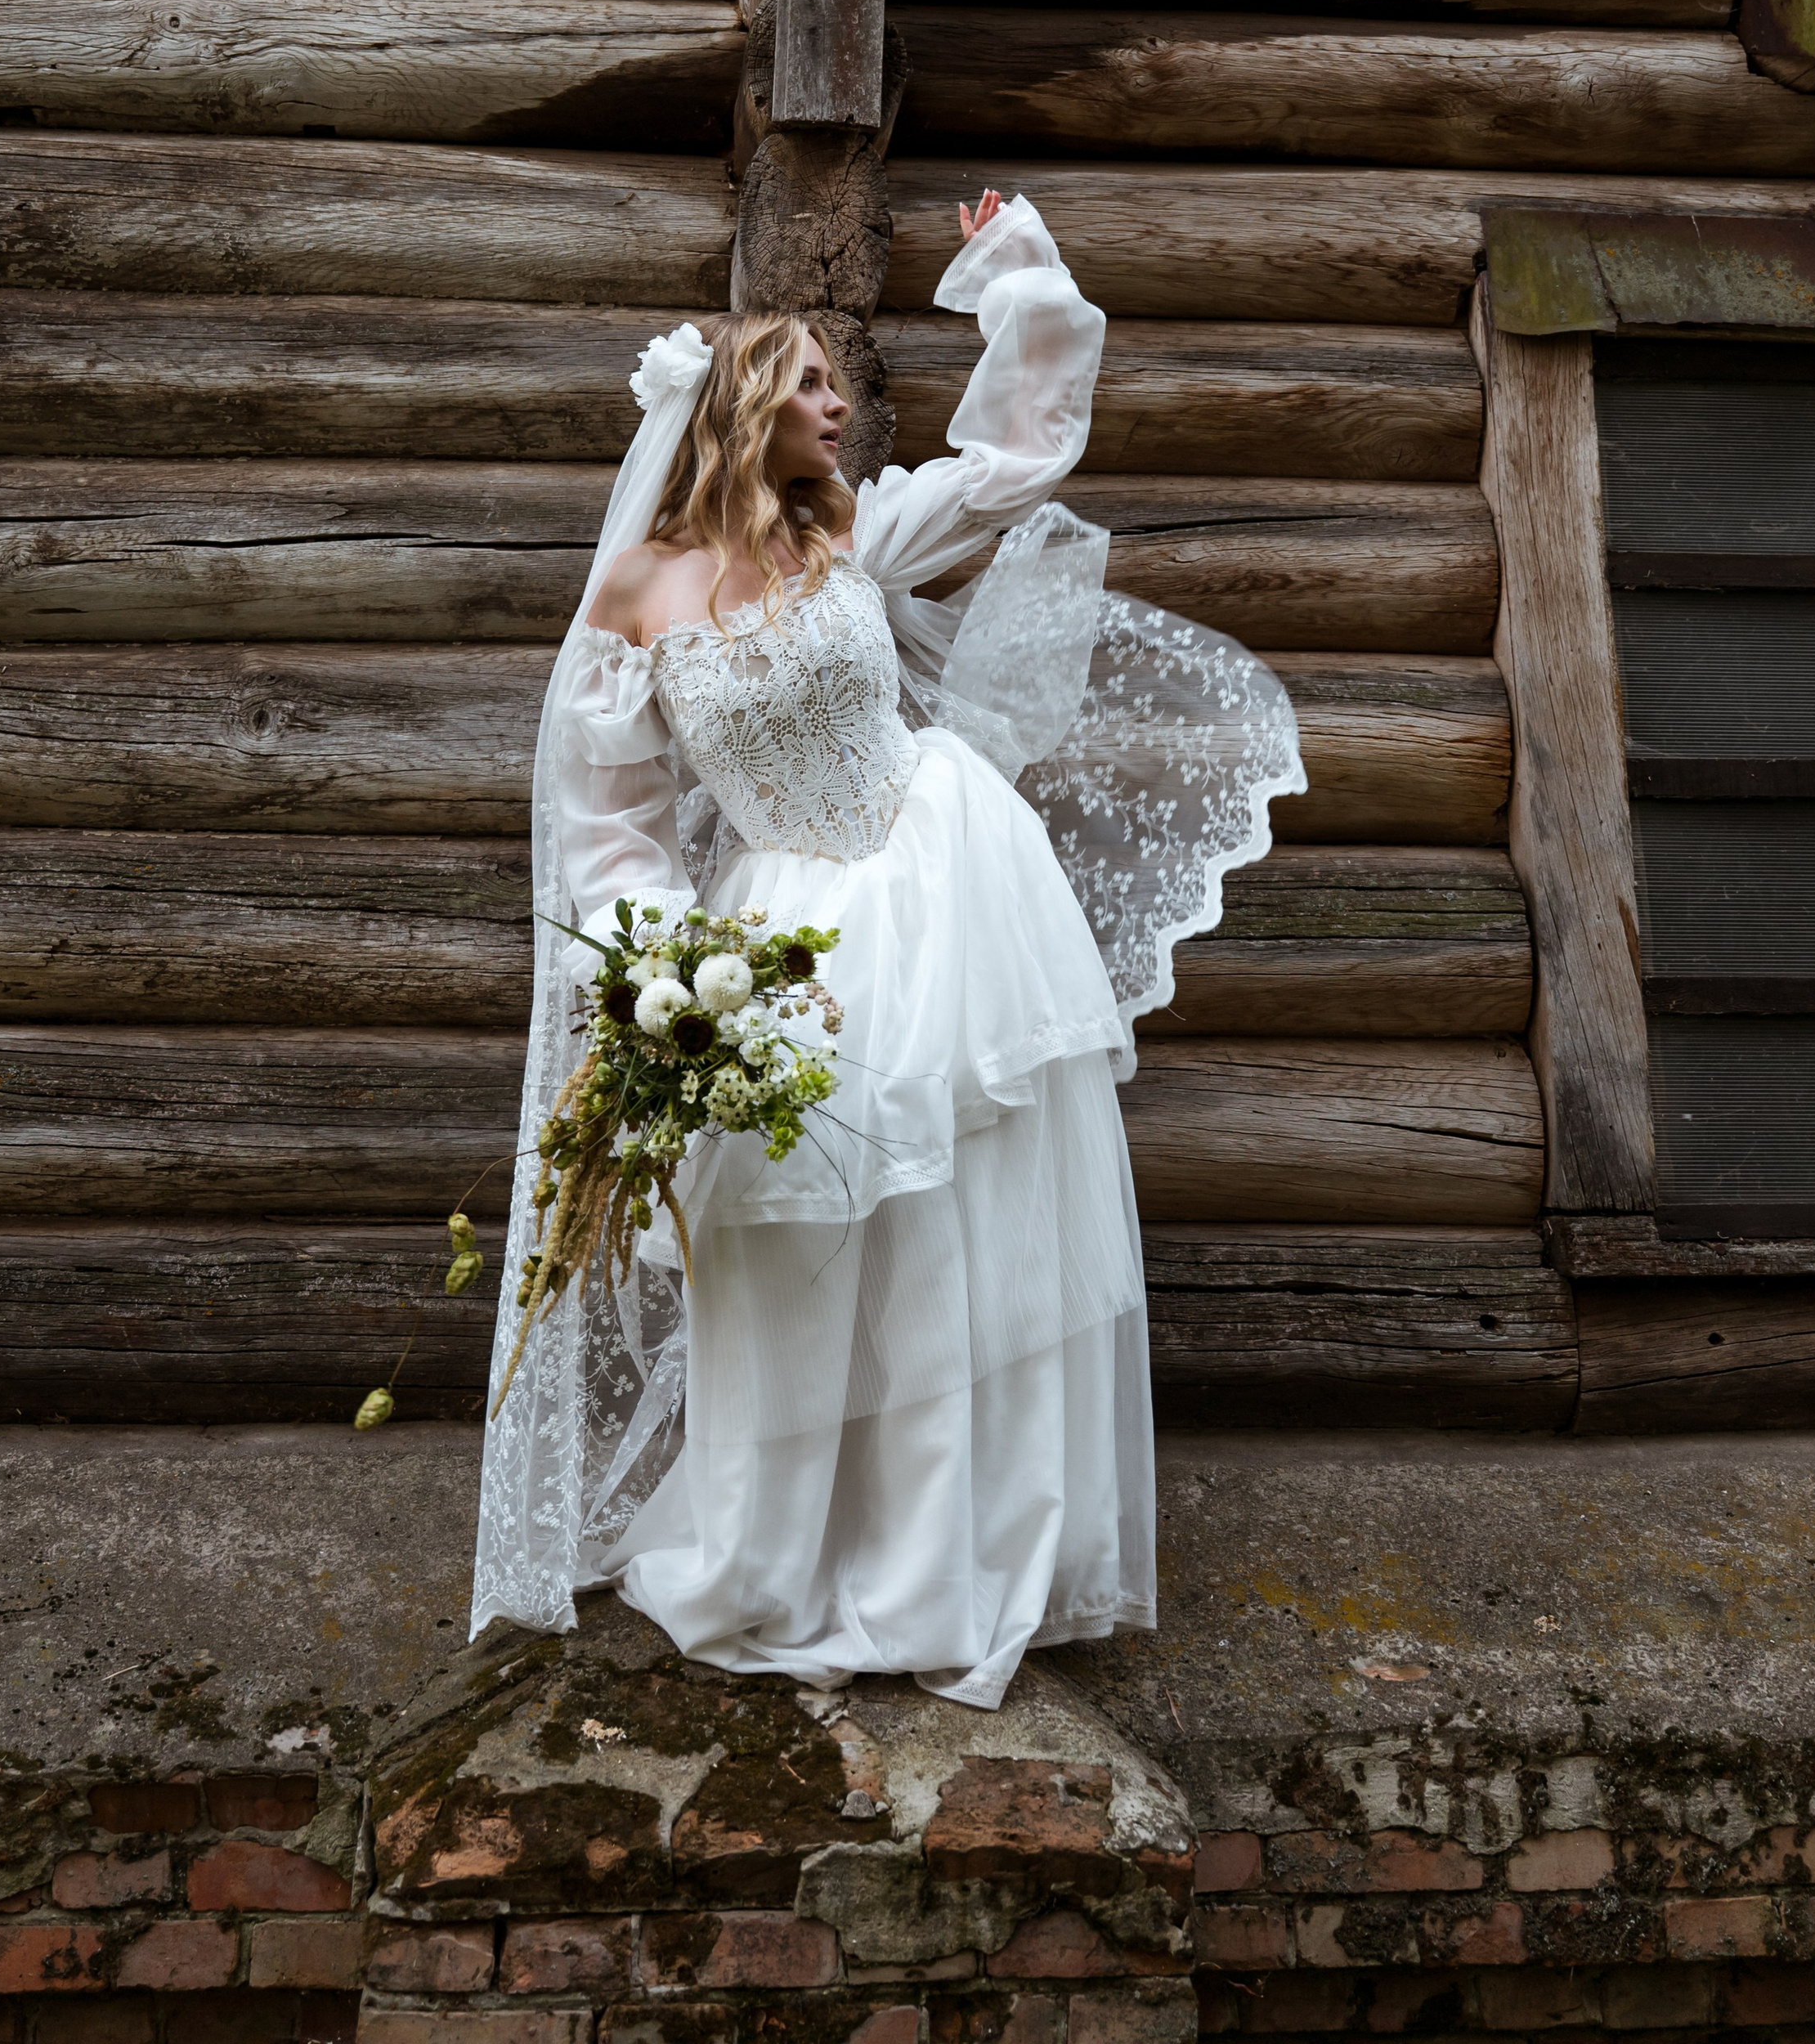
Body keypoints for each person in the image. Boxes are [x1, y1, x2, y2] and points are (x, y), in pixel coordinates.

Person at [472, 188, 1303, 1707]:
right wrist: (654, 976)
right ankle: (775, 1552)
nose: (839, 401)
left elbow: (1021, 461)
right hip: (782, 939)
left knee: (952, 1228)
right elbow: (611, 826)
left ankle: (950, 1563)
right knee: (783, 1244)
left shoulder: (851, 530)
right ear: (737, 409)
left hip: (947, 884)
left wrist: (1027, 285)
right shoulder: (636, 597)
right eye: (808, 380)